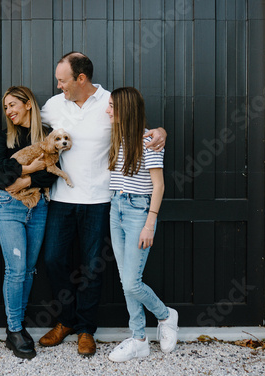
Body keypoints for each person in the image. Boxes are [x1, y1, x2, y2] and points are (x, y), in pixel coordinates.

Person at [38, 52, 167, 356]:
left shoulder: (110, 102)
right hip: (61, 198)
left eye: (62, 80)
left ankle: (86, 330)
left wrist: (161, 132)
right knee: (54, 259)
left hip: (100, 200)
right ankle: (65, 321)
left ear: (80, 78)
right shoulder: (55, 106)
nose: (58, 86)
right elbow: (28, 124)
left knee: (91, 267)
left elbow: (140, 129)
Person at [106, 87, 178, 362]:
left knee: (132, 283)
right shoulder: (117, 138)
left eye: (112, 105)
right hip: (116, 209)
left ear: (125, 108)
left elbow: (158, 186)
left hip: (139, 211)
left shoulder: (148, 140)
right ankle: (139, 339)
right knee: (127, 281)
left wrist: (150, 223)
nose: (107, 110)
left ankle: (165, 315)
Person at [0, 86, 58, 359]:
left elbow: (52, 173)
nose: (8, 112)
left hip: (38, 206)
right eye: (5, 107)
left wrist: (24, 180)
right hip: (9, 208)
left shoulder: (48, 134)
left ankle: (18, 327)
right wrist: (29, 168)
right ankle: (14, 329)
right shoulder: (4, 136)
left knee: (28, 270)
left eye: (12, 105)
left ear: (28, 104)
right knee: (16, 270)